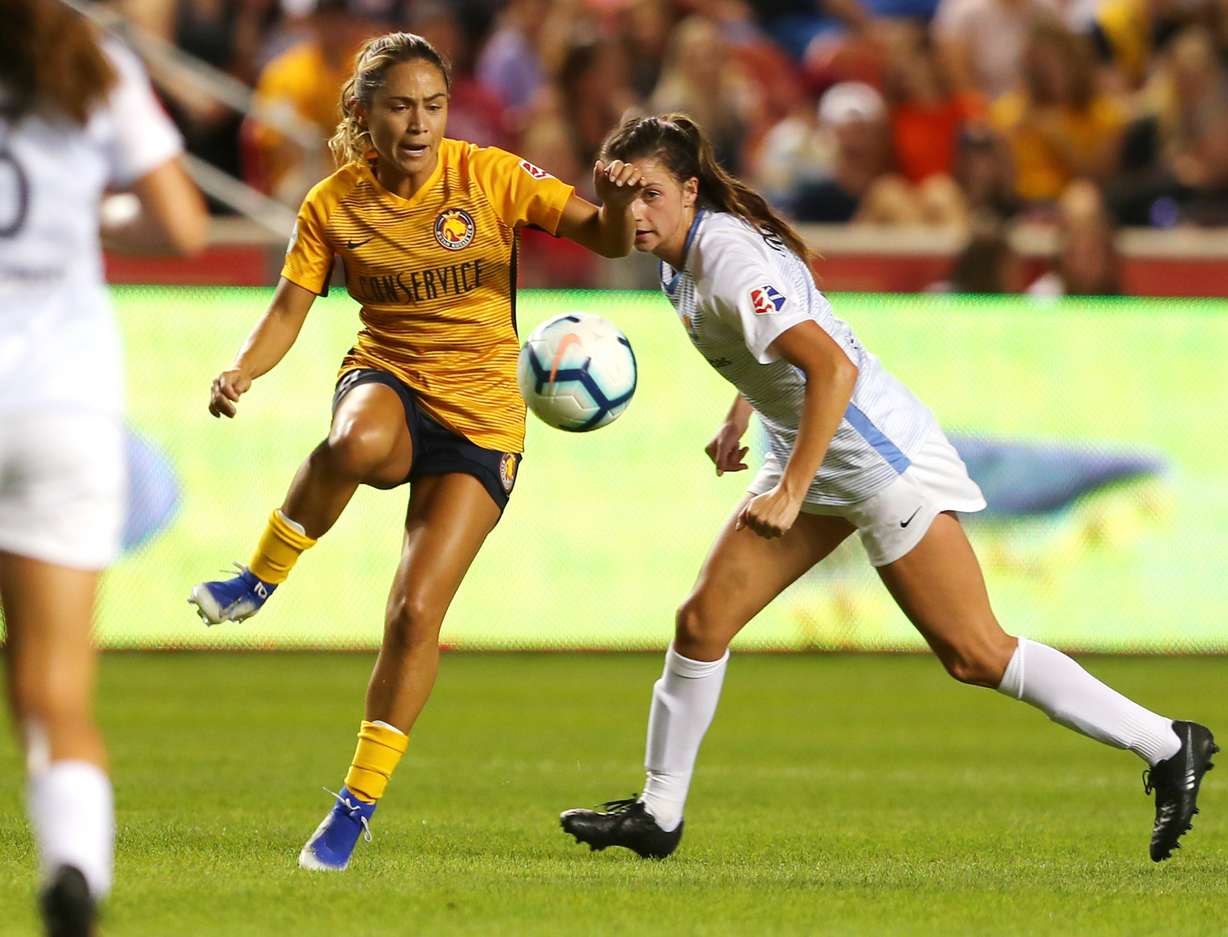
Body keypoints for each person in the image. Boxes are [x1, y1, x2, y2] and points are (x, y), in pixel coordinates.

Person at [558, 113, 1216, 863]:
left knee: (974, 651)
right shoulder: (684, 252)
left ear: (689, 190)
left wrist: (792, 487)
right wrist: (744, 411)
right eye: (622, 195)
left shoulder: (729, 257)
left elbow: (831, 365)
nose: (635, 213)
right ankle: (659, 811)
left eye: (648, 194)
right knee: (702, 622)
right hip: (807, 450)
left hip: (876, 459)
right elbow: (786, 330)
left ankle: (1167, 744)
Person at [186, 31, 645, 873]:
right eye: (401, 106)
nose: (420, 122)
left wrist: (614, 202)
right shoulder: (333, 203)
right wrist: (241, 369)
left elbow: (608, 240)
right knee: (352, 439)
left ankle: (353, 807)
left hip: (482, 420)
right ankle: (255, 578)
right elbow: (290, 309)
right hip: (389, 377)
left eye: (433, 105)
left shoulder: (491, 176)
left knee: (412, 615)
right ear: (364, 114)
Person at [0, 2, 207, 934]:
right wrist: (94, 216)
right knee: (53, 686)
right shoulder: (94, 64)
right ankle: (75, 867)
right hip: (62, 409)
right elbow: (183, 224)